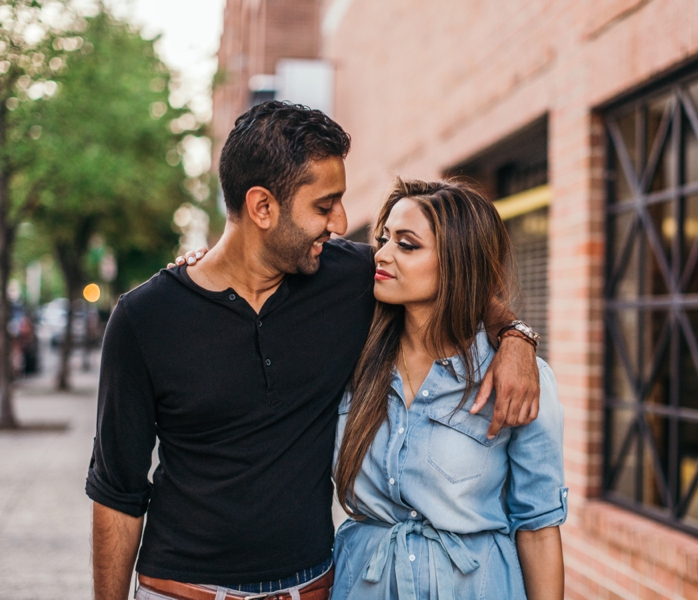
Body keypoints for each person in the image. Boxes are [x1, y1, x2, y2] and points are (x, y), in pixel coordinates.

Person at [86, 101, 542, 600]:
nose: (340, 221)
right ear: (262, 207)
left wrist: (516, 336)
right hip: (180, 591)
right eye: (325, 206)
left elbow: (455, 279)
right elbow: (117, 493)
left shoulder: (351, 277)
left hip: (310, 590)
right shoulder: (144, 318)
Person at [331, 179, 566, 600]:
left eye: (407, 245)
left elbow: (538, 528)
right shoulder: (350, 355)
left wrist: (517, 337)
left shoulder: (514, 378)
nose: (381, 254)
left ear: (458, 263)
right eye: (384, 239)